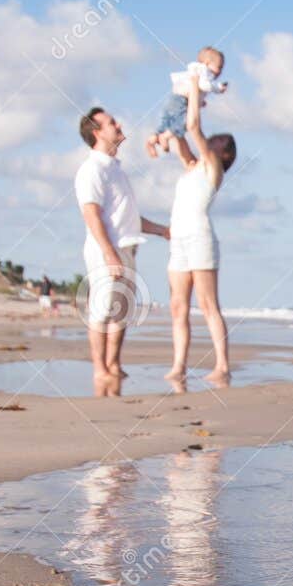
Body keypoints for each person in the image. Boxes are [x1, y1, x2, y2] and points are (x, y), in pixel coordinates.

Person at [74, 106, 169, 396]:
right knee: (101, 311)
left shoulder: (116, 170)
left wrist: (163, 231)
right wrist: (108, 252)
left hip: (127, 248)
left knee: (121, 312)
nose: (118, 125)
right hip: (107, 251)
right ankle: (100, 369)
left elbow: (129, 219)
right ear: (97, 132)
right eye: (111, 122)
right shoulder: (92, 169)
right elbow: (91, 213)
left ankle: (114, 364)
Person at [164, 77, 237, 388]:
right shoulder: (193, 165)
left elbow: (193, 128)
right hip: (178, 238)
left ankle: (222, 365)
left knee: (208, 305)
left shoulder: (213, 168)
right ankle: (179, 364)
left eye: (221, 141)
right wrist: (182, 99)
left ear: (224, 155)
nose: (214, 139)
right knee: (178, 306)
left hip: (200, 237)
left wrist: (195, 84)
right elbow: (178, 136)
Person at [145, 46, 229, 159]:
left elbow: (198, 92)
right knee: (184, 122)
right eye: (219, 67)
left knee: (165, 123)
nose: (220, 72)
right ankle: (165, 137)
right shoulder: (204, 71)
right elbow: (205, 85)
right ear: (207, 63)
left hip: (174, 98)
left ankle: (152, 141)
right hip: (182, 101)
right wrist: (219, 89)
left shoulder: (197, 69)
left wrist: (200, 102)